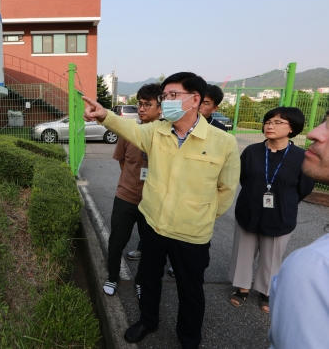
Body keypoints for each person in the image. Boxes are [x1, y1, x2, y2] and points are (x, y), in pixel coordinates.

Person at [83, 72, 240, 348]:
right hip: (154, 225)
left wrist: (201, 215)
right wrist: (104, 115)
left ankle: (189, 336)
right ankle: (148, 320)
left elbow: (226, 190)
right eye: (164, 96)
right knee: (148, 278)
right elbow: (129, 129)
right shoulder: (156, 131)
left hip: (192, 233)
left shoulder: (223, 142)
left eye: (172, 95)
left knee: (190, 289)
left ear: (194, 99)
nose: (165, 101)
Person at [228, 107, 315, 313]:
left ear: (292, 128)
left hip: (280, 215)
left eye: (278, 122)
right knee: (243, 251)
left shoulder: (301, 157)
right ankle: (242, 287)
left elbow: (304, 188)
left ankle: (266, 291)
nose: (270, 125)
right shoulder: (251, 151)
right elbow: (245, 179)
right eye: (268, 121)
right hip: (249, 210)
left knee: (272, 254)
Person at [269, 111, 329, 348]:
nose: (314, 133)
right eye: (324, 121)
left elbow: (303, 189)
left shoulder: (314, 266)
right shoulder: (254, 152)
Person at [104, 83, 161, 298]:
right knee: (117, 241)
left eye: (148, 104)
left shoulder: (166, 136)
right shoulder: (129, 133)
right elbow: (122, 162)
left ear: (160, 108)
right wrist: (131, 181)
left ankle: (142, 281)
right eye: (140, 104)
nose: (142, 108)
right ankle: (112, 277)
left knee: (149, 247)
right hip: (126, 197)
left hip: (152, 202)